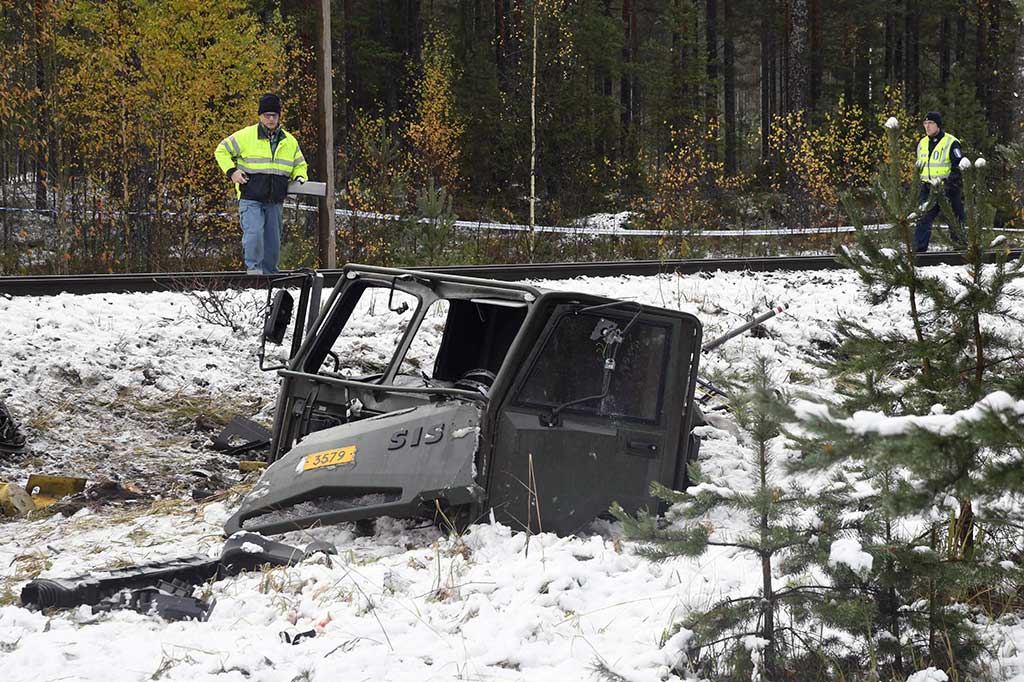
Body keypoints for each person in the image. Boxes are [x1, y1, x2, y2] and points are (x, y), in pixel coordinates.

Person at [215, 93, 308, 274]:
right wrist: (232, 171)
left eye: (274, 115)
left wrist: (300, 177)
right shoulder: (245, 136)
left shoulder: (289, 141)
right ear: (260, 116)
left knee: (273, 241)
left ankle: (270, 275)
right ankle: (254, 273)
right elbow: (221, 150)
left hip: (275, 198)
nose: (271, 119)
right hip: (251, 196)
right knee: (254, 234)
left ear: (279, 116)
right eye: (267, 115)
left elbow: (299, 164)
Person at [913, 111, 966, 252]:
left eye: (931, 123)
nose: (927, 126)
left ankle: (961, 251)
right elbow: (919, 167)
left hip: (947, 187)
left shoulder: (951, 142)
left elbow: (959, 166)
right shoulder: (922, 143)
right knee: (923, 219)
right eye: (925, 123)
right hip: (928, 188)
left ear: (938, 125)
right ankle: (918, 252)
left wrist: (950, 184)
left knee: (955, 220)